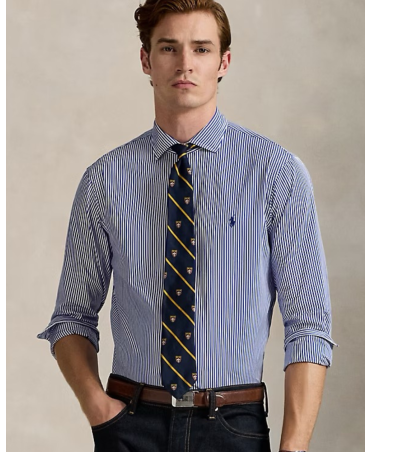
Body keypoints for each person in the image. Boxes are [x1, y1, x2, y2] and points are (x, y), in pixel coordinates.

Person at [38, 1, 336, 451]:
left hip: (233, 426)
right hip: (130, 424)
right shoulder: (105, 180)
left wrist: (293, 448)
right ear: (146, 60)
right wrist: (100, 410)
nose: (185, 64)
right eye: (168, 48)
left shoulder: (276, 174)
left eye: (201, 48)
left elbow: (308, 326)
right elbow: (71, 318)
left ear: (224, 62)